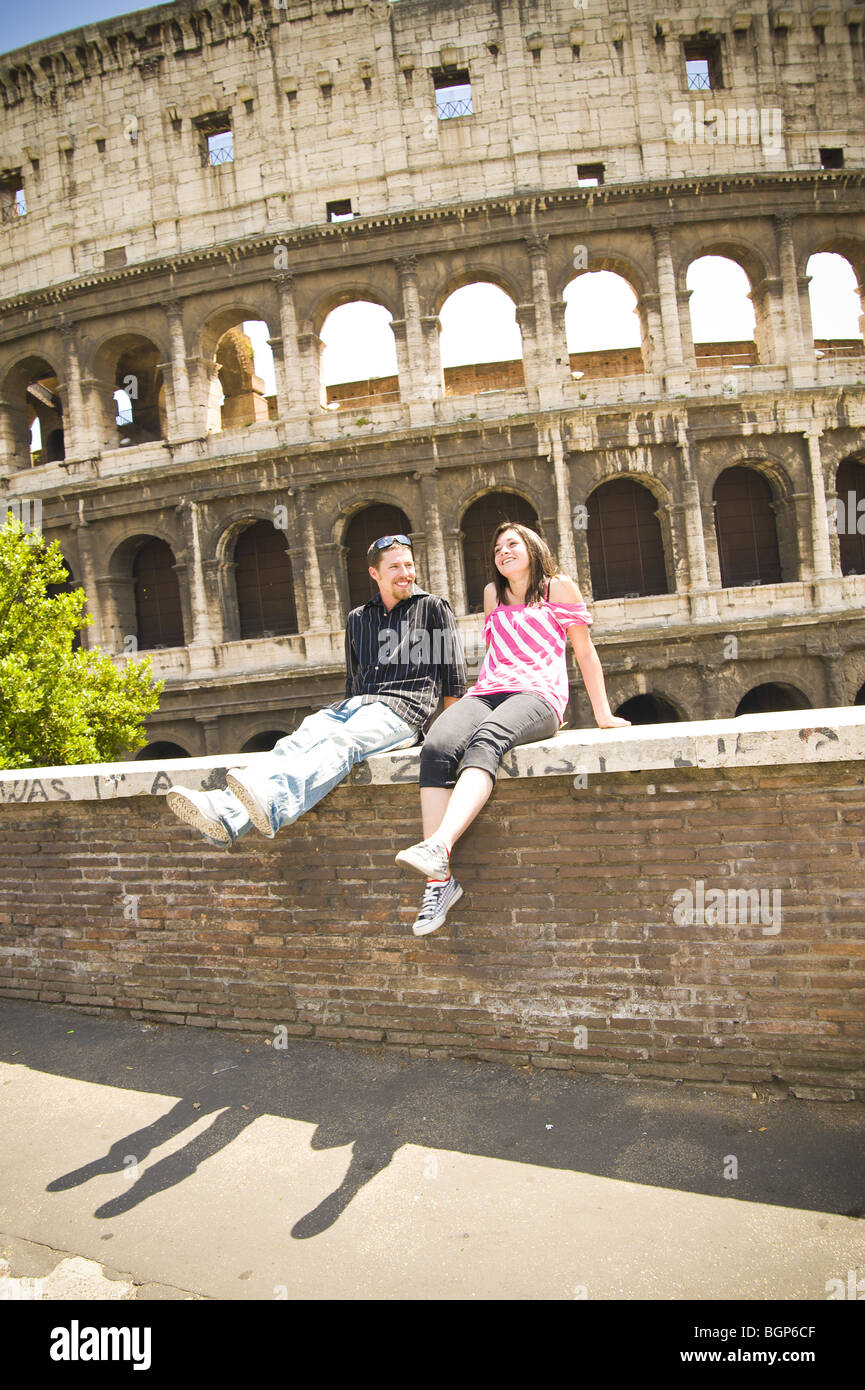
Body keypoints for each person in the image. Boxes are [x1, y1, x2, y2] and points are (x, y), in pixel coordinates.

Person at [395, 522, 630, 936]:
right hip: (489, 691)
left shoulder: (559, 589)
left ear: (532, 548)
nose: (503, 552)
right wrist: (472, 699)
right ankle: (440, 883)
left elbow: (585, 653)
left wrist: (603, 713)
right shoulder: (492, 594)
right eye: (497, 548)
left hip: (539, 697)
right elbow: (497, 654)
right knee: (437, 744)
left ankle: (439, 845)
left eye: (512, 544)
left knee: (486, 741)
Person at [166, 535, 467, 845]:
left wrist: (446, 740)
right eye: (395, 567)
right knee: (297, 742)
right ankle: (227, 815)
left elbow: (454, 678)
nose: (405, 573)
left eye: (409, 565)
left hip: (405, 711)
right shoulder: (359, 618)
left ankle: (274, 808)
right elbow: (354, 681)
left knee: (340, 742)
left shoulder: (433, 607)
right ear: (375, 574)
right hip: (356, 707)